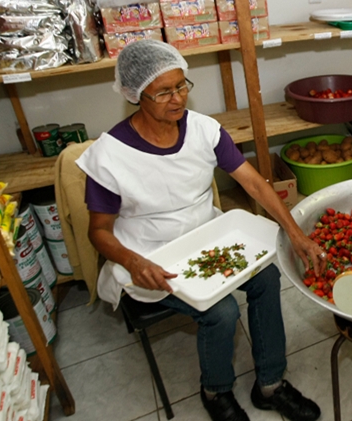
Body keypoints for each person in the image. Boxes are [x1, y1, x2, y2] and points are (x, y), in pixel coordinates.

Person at [76, 40, 323, 421]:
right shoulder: (111, 156)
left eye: (182, 85)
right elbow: (99, 231)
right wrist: (132, 260)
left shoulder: (204, 130)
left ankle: (271, 384)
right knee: (221, 311)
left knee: (267, 278)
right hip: (150, 255)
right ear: (136, 95)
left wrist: (295, 231)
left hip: (208, 237)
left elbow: (254, 183)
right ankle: (216, 391)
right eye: (163, 92)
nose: (177, 99)